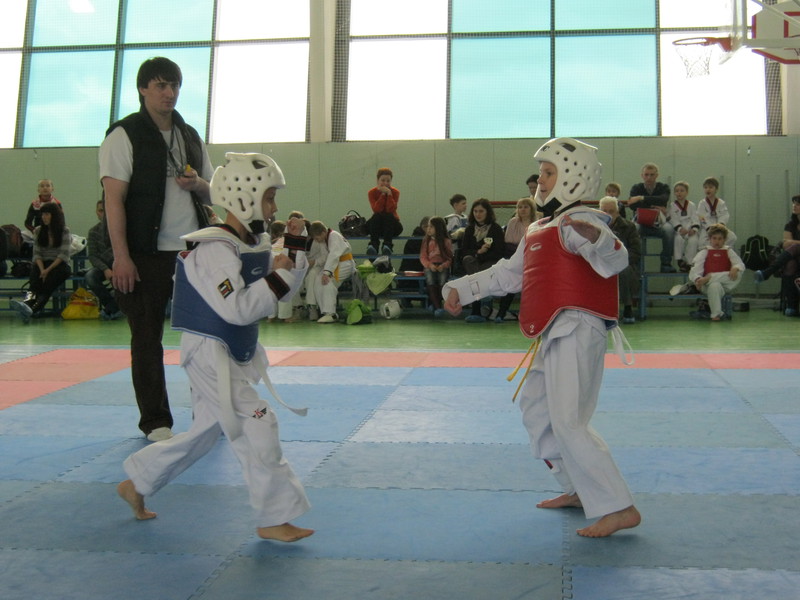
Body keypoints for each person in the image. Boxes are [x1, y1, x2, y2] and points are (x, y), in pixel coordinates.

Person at [444, 137, 640, 538]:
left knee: (569, 420)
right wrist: (461, 289)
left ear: (573, 177)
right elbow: (508, 274)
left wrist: (598, 238)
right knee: (537, 410)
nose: (542, 180)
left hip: (578, 327)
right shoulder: (540, 227)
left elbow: (616, 259)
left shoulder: (581, 222)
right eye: (542, 172)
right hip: (552, 330)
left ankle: (619, 506)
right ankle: (578, 488)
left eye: (550, 172)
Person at [117, 152, 314, 543]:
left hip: (230, 350)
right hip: (209, 353)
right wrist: (277, 275)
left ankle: (137, 483)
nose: (274, 207)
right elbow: (237, 308)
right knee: (259, 421)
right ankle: (273, 517)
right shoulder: (213, 250)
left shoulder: (252, 242)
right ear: (244, 197)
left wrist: (294, 251)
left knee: (206, 433)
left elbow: (281, 288)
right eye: (269, 197)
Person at [99, 57, 214, 443]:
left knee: (206, 338)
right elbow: (113, 199)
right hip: (145, 252)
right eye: (161, 85)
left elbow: (212, 191)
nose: (170, 93)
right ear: (143, 89)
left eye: (175, 85)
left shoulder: (190, 135)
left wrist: (197, 184)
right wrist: (121, 256)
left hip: (193, 251)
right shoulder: (124, 135)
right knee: (147, 338)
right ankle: (155, 421)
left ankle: (208, 412)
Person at [10, 202, 72, 322]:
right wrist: (42, 269)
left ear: (54, 215)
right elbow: (37, 253)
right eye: (42, 214)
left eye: (47, 214)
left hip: (59, 264)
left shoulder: (64, 231)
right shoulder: (38, 230)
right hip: (41, 263)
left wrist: (47, 271)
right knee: (34, 283)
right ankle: (27, 304)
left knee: (47, 285)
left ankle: (33, 309)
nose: (44, 217)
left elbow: (63, 255)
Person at [460, 198, 505, 323]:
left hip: (490, 262)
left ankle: (476, 310)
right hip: (473, 261)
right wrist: (478, 252)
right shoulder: (469, 229)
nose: (478, 214)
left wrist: (481, 256)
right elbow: (464, 250)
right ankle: (484, 294)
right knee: (469, 262)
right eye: (475, 211)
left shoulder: (495, 229)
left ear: (487, 212)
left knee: (476, 276)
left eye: (481, 211)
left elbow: (499, 252)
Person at [754, 194, 800, 316]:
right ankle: (792, 307)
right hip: (794, 258)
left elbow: (790, 243)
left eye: (798, 204)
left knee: (794, 247)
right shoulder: (790, 225)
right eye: (794, 203)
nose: (794, 206)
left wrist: (795, 243)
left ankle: (767, 273)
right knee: (790, 264)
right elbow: (786, 245)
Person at [599, 196, 641, 325]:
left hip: (623, 263)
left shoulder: (629, 227)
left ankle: (628, 307)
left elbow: (636, 251)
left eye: (611, 211)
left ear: (617, 212)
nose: (608, 214)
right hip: (600, 263)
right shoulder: (593, 227)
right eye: (604, 211)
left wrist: (619, 260)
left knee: (624, 271)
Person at [625, 163, 675, 273]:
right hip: (641, 222)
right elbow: (632, 205)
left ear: (657, 175)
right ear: (642, 175)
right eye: (646, 174)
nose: (649, 177)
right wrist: (654, 205)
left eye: (652, 175)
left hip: (659, 223)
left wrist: (641, 198)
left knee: (669, 230)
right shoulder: (636, 188)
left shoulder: (663, 187)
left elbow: (663, 199)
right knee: (633, 229)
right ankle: (636, 265)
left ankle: (666, 263)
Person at [688, 224, 744, 321]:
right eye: (714, 238)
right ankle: (716, 315)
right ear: (709, 239)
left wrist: (735, 267)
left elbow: (740, 264)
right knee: (714, 285)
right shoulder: (704, 252)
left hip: (724, 285)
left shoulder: (728, 251)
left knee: (738, 273)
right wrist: (697, 279)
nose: (717, 241)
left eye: (720, 239)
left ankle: (710, 277)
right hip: (706, 286)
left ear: (724, 239)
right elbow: (694, 271)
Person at [305, 220, 356, 323]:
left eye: (317, 238)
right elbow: (326, 257)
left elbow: (333, 255)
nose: (317, 240)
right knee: (318, 280)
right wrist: (324, 272)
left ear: (323, 232)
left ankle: (331, 313)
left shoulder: (334, 236)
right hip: (336, 264)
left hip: (345, 263)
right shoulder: (324, 239)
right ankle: (324, 311)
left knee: (327, 281)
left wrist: (327, 273)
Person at [495, 197, 536, 322]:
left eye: (526, 207)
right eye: (520, 207)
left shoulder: (537, 223)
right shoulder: (513, 222)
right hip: (514, 256)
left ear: (531, 209)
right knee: (511, 284)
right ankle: (501, 313)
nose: (522, 210)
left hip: (533, 258)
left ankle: (531, 314)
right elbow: (508, 240)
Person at [85, 199, 122, 320]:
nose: (104, 213)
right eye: (101, 210)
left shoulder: (121, 228)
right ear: (97, 212)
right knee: (90, 277)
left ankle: (113, 308)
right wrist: (105, 269)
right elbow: (92, 256)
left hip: (121, 264)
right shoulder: (93, 232)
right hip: (103, 266)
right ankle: (114, 307)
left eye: (106, 210)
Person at [419, 216, 453, 317]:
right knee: (430, 280)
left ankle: (436, 304)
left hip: (442, 265)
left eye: (431, 227)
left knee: (442, 281)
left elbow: (449, 258)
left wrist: (443, 265)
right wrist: (429, 265)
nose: (428, 229)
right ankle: (437, 307)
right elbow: (423, 257)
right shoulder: (426, 241)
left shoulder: (446, 241)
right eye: (428, 226)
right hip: (430, 265)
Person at [366, 167, 403, 255]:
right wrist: (382, 194)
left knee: (388, 215)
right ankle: (373, 246)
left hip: (391, 225)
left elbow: (390, 209)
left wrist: (389, 194)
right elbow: (377, 209)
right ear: (377, 180)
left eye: (388, 181)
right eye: (383, 180)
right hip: (378, 224)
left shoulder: (395, 192)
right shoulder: (371, 192)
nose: (385, 183)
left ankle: (387, 245)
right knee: (377, 216)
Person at [668, 181, 700, 272]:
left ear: (687, 192)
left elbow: (695, 217)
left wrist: (694, 229)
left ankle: (690, 263)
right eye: (677, 191)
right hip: (680, 229)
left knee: (694, 240)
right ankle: (680, 260)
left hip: (690, 228)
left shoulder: (691, 205)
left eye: (682, 190)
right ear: (674, 193)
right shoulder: (672, 205)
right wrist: (679, 228)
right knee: (678, 239)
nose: (679, 193)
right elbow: (673, 219)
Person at [697, 177, 737, 249]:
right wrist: (710, 228)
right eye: (705, 187)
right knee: (701, 243)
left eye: (710, 187)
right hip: (707, 228)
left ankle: (721, 251)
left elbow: (724, 215)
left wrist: (720, 225)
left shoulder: (721, 203)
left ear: (716, 189)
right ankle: (711, 253)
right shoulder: (702, 203)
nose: (708, 189)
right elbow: (702, 217)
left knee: (732, 237)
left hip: (719, 227)